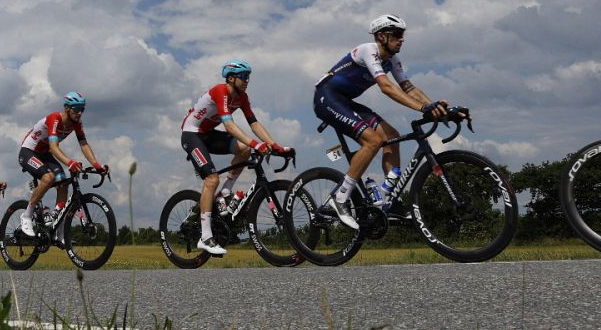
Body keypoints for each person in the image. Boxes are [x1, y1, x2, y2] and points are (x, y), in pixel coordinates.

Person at [314, 14, 455, 229]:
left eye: (403, 34)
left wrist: (435, 107)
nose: (402, 39)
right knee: (372, 141)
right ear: (381, 36)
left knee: (392, 136)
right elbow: (386, 87)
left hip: (346, 101)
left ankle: (387, 197)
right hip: (326, 97)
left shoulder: (393, 61)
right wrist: (421, 108)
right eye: (397, 34)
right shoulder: (367, 50)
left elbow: (409, 88)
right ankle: (340, 200)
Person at [179, 61, 292, 256]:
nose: (247, 81)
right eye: (243, 77)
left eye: (249, 77)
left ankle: (225, 193)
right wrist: (256, 144)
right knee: (212, 179)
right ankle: (205, 237)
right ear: (231, 78)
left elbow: (254, 123)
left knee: (244, 151)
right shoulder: (220, 91)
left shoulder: (242, 97)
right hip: (192, 134)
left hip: (209, 134)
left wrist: (275, 145)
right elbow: (229, 125)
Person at [18, 93, 108, 238]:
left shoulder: (76, 124)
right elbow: (54, 147)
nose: (79, 113)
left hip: (45, 154)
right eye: (76, 109)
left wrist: (97, 165)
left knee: (63, 182)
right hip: (29, 152)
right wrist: (70, 162)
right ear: (66, 108)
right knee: (48, 178)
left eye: (82, 109)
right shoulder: (54, 119)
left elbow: (84, 144)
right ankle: (27, 215)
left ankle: (56, 224)